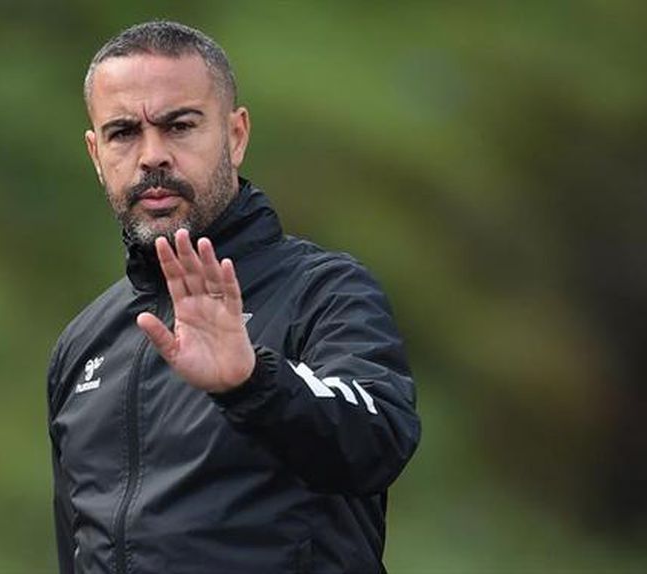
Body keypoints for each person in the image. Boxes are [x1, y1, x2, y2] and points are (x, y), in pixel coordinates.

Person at [47, 20, 420, 573]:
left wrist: (253, 383)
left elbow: (378, 441)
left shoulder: (325, 292)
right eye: (123, 133)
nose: (152, 156)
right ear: (96, 154)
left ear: (236, 135)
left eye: (179, 126)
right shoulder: (82, 346)